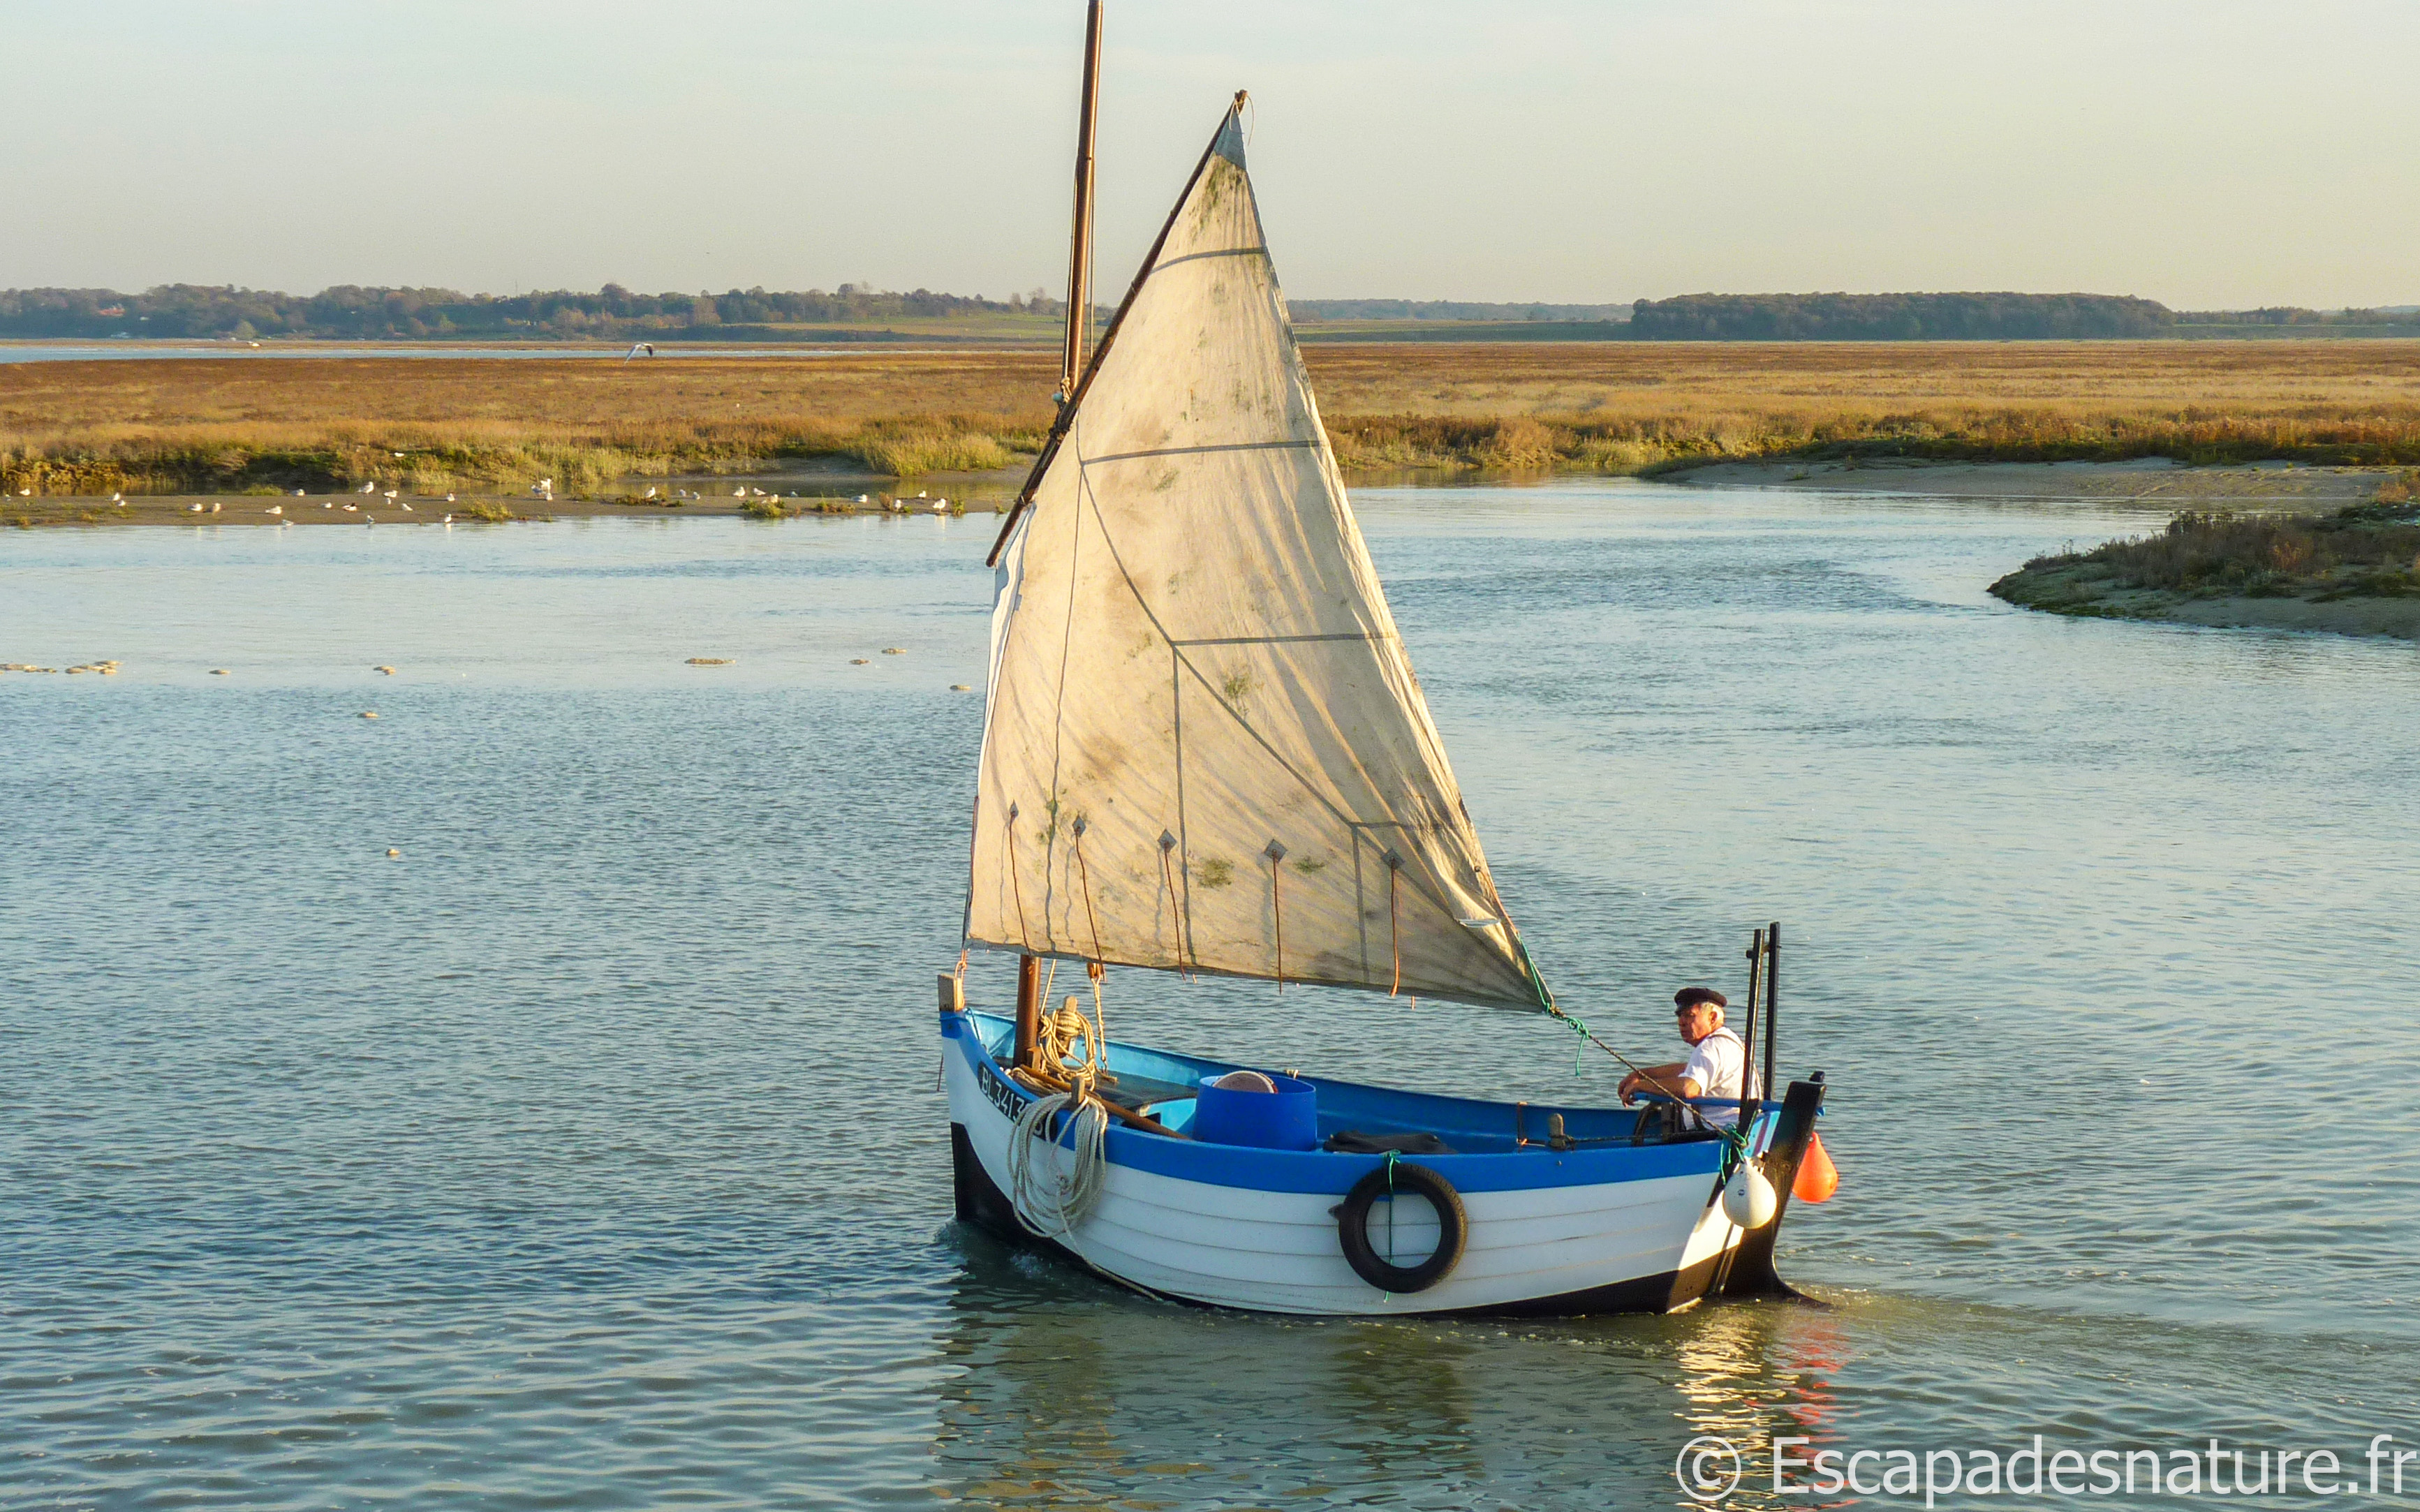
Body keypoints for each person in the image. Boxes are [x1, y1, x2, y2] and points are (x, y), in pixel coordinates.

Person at [1618, 986, 1756, 1130]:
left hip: (1714, 1136)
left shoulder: (1710, 1047)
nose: (1681, 1022)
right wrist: (1641, 1075)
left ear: (1713, 1018)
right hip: (1739, 1128)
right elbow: (1691, 1069)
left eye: (1690, 1015)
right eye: (1680, 1016)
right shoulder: (1730, 1042)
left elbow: (1688, 1088)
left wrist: (1641, 1085)